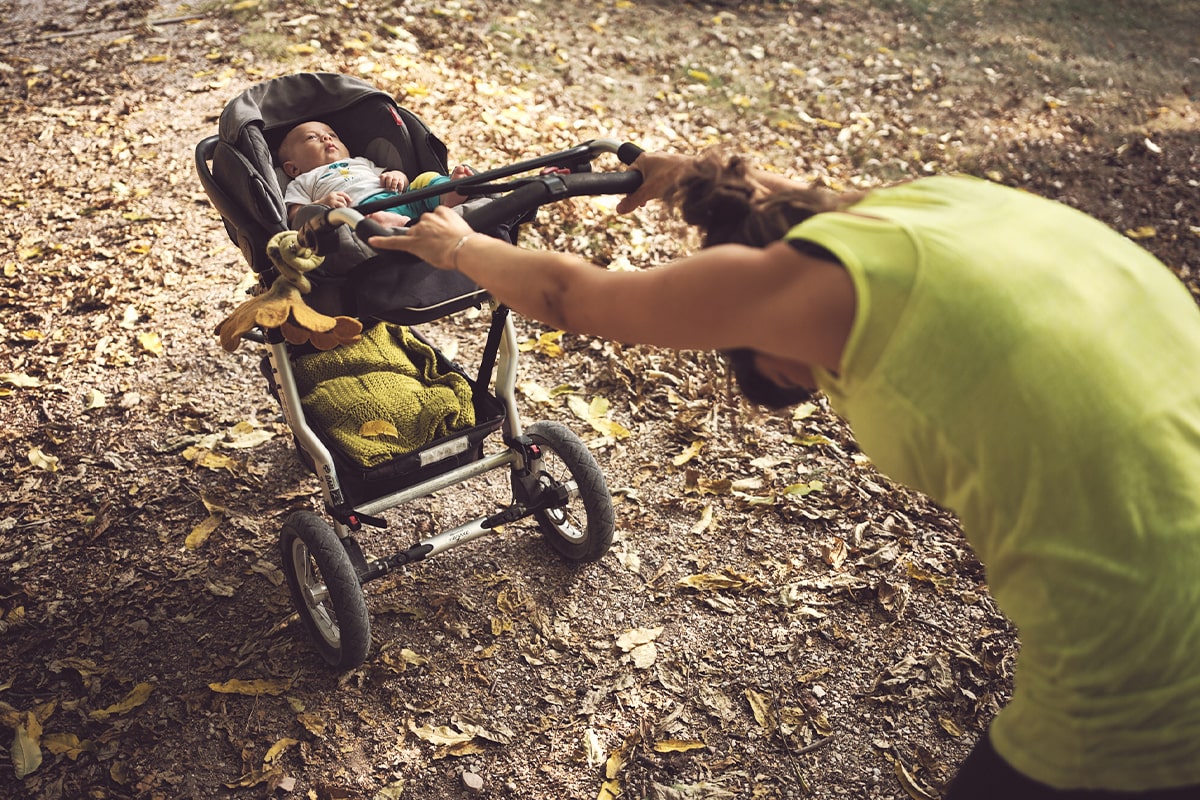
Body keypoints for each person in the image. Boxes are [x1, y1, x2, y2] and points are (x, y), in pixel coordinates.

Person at [367, 149, 1200, 799]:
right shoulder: (936, 206)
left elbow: (570, 295)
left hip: (1155, 660)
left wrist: (460, 245)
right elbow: (778, 198)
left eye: (798, 378)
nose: (813, 388)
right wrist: (693, 172)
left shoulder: (814, 292)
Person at [277, 120, 472, 227]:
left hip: (401, 198)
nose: (327, 137)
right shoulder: (302, 181)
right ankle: (406, 227)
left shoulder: (360, 162)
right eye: (312, 137)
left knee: (425, 178)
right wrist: (321, 205)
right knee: (373, 220)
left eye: (332, 135)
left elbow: (396, 179)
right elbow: (295, 216)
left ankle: (447, 195)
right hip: (361, 215)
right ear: (293, 168)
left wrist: (397, 176)